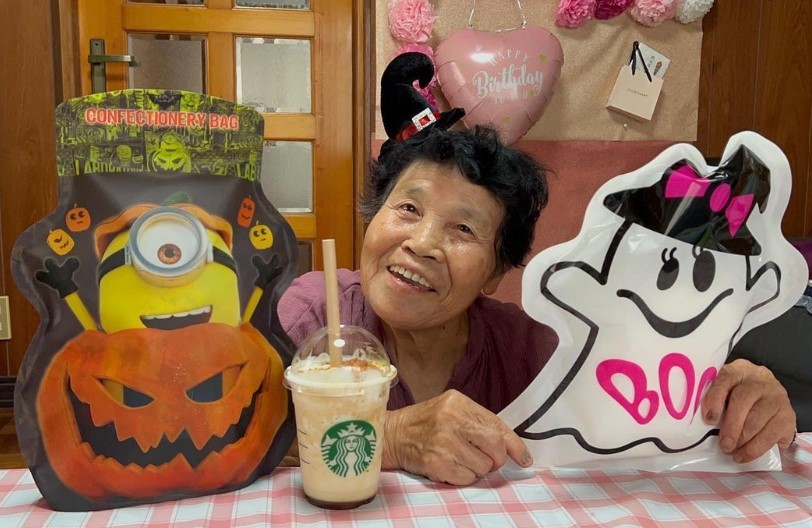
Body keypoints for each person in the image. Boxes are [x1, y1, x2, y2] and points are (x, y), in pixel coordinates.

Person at [277, 52, 797, 485]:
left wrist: (739, 401)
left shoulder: (531, 348)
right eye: (408, 208)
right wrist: (392, 437)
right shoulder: (314, 315)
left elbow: (645, 406)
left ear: (495, 273)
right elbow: (250, 435)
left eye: (463, 230)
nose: (423, 244)